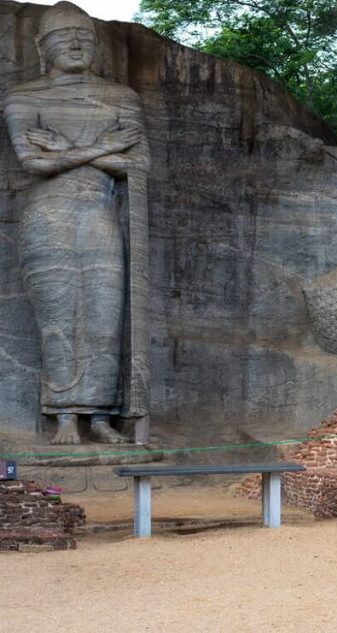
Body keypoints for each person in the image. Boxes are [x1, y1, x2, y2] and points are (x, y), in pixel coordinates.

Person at [2, 1, 151, 444]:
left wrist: (63, 150)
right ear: (42, 48)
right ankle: (65, 414)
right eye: (63, 38)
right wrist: (104, 148)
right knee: (60, 315)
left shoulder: (121, 97)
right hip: (48, 216)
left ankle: (101, 417)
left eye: (85, 38)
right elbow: (32, 162)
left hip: (100, 215)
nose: (75, 44)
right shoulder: (23, 98)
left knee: (106, 315)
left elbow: (139, 164)